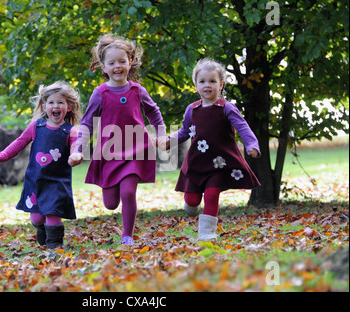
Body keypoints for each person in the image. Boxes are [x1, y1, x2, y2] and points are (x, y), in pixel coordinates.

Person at [69, 34, 166, 245]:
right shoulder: (100, 93)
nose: (117, 66)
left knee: (129, 192)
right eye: (112, 63)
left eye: (122, 61)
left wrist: (161, 134)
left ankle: (127, 235)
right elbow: (86, 124)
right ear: (103, 67)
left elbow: (154, 113)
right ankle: (121, 223)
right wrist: (78, 149)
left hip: (135, 149)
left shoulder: (137, 90)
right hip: (109, 152)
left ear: (130, 63)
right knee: (111, 203)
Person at [158, 58, 260, 240]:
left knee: (212, 195)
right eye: (202, 81)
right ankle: (191, 206)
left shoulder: (226, 108)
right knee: (192, 202)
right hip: (197, 162)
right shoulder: (192, 109)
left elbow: (243, 127)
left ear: (220, 85)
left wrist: (252, 145)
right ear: (196, 85)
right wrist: (168, 141)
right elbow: (184, 132)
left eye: (212, 81)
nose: (207, 85)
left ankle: (206, 233)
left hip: (219, 163)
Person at [0, 81, 81, 249]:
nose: (56, 106)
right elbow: (18, 144)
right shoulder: (36, 127)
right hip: (36, 181)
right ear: (44, 106)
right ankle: (42, 228)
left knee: (53, 213)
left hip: (57, 182)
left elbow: (77, 147)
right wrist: (0, 156)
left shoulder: (70, 131)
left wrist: (75, 155)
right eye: (51, 102)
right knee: (37, 218)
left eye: (60, 102)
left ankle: (55, 246)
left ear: (69, 106)